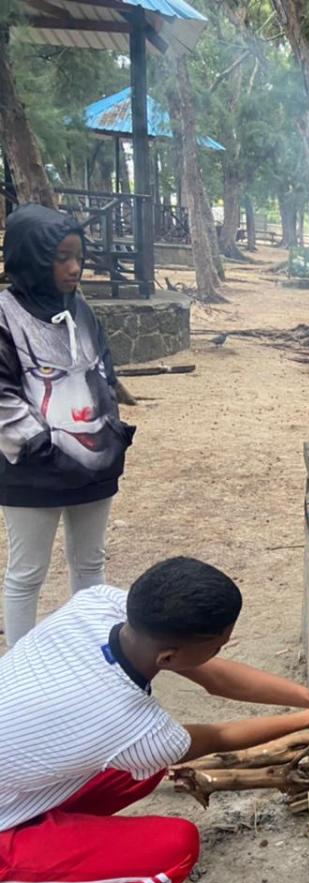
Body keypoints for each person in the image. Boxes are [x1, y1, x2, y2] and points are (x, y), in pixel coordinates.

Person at [0, 556, 309, 883]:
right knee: (175, 848)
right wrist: (308, 720)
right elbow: (218, 736)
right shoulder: (130, 723)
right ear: (167, 658)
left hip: (11, 781)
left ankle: (44, 837)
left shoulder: (98, 605)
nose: (218, 653)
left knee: (141, 770)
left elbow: (215, 678)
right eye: (217, 648)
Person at [0, 205, 134, 645]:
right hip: (32, 468)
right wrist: (40, 445)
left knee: (90, 562)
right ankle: (18, 666)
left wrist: (108, 434)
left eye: (78, 257)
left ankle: (90, 652)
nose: (75, 268)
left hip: (93, 461)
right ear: (32, 258)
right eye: (62, 258)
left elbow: (102, 371)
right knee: (27, 573)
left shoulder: (80, 309)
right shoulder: (5, 315)